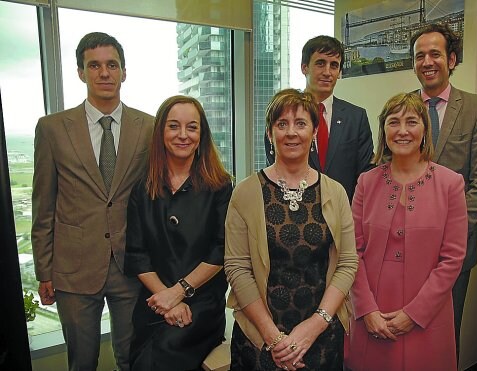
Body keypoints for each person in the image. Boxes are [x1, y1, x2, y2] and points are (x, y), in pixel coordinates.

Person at [31, 32, 154, 371]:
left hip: (131, 267)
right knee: (82, 361)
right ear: (81, 73)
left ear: (123, 72)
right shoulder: (52, 128)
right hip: (73, 270)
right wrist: (44, 270)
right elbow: (44, 204)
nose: (104, 73)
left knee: (132, 357)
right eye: (94, 65)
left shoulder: (149, 127)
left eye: (111, 65)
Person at [225, 88, 358, 370]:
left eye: (300, 123)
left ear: (313, 132)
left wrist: (315, 324)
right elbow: (237, 268)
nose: (291, 132)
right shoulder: (245, 193)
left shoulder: (335, 192)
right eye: (281, 124)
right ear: (270, 133)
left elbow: (347, 263)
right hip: (260, 340)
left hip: (321, 336)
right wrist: (274, 339)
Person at [345, 93, 468, 371]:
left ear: (424, 130)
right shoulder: (366, 182)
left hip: (427, 316)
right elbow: (353, 251)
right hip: (373, 313)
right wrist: (366, 310)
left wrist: (414, 314)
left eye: (411, 122)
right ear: (383, 130)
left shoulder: (451, 184)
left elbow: (452, 259)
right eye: (393, 122)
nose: (402, 131)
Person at [124, 95, 233, 370]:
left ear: (202, 134)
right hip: (155, 299)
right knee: (138, 359)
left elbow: (220, 251)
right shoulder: (142, 189)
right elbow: (138, 255)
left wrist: (180, 291)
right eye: (174, 126)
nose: (183, 135)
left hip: (201, 304)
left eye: (192, 127)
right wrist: (168, 298)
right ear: (161, 132)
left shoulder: (220, 187)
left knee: (163, 356)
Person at [410, 23, 477, 357]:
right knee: (403, 336)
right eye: (420, 56)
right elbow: (386, 176)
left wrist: (446, 236)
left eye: (435, 53)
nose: (427, 61)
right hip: (403, 248)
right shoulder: (400, 109)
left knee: (444, 336)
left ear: (452, 59)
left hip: (453, 252)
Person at [265, 35, 373, 202]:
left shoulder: (356, 118)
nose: (327, 72)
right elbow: (275, 167)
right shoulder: (283, 116)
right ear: (304, 67)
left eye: (334, 65)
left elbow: (365, 175)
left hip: (342, 215)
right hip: (292, 211)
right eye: (320, 63)